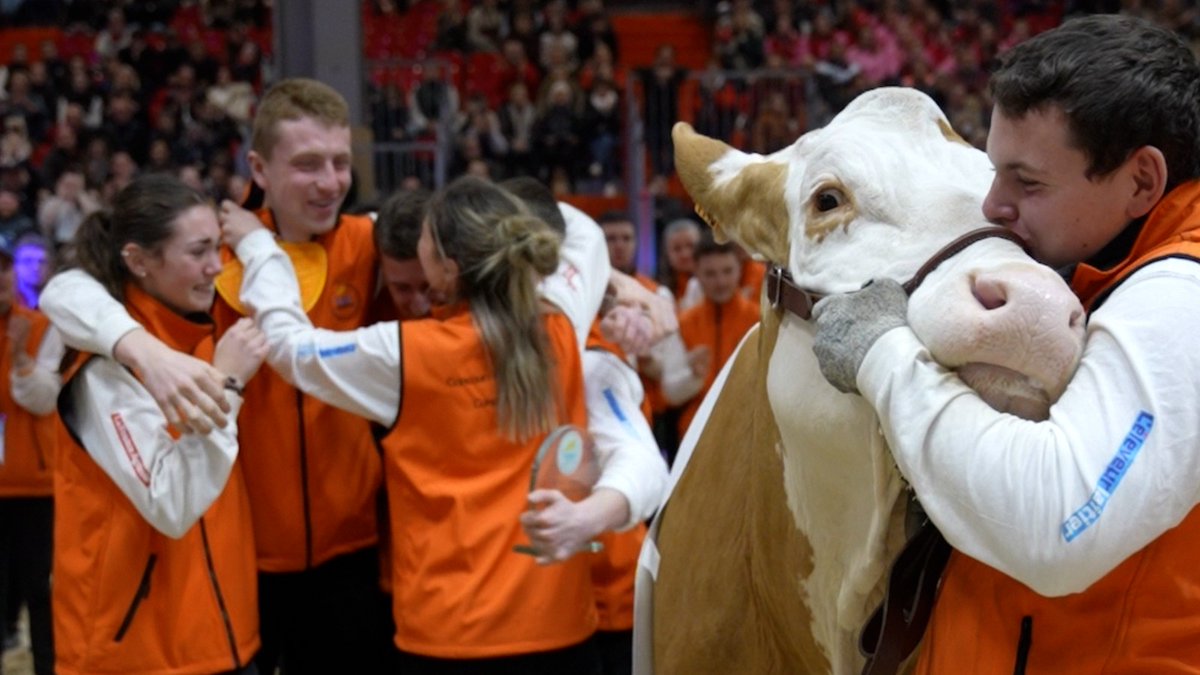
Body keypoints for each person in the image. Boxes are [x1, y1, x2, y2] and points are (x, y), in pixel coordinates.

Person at [811, 14, 1200, 673]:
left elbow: (1060, 524)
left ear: (1141, 181)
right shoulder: (1104, 267)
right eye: (994, 172)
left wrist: (884, 357)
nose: (993, 205)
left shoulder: (1182, 300)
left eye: (1028, 182)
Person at [40, 78, 395, 674]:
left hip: (351, 547)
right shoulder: (213, 262)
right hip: (245, 560)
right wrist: (140, 349)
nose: (330, 181)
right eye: (307, 164)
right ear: (258, 167)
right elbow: (69, 287)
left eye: (340, 162)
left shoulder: (369, 243)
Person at [221, 175, 610, 673]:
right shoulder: (561, 322)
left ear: (446, 268)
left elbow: (291, 348)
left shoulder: (405, 352)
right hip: (558, 624)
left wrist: (260, 247)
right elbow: (584, 231)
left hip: (449, 630)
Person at [52, 174, 267, 674]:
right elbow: (171, 504)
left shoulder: (198, 320)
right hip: (138, 652)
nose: (216, 266)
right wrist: (228, 385)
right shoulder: (103, 370)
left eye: (217, 246)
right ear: (139, 261)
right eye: (198, 251)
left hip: (222, 633)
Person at [0, 235, 63, 675]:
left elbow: (44, 399)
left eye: (4, 268)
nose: (0, 277)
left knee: (42, 591)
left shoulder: (42, 327)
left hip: (36, 484)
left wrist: (20, 357)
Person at [663, 234, 759, 438]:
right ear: (696, 273)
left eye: (727, 271)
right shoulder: (683, 323)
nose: (721, 281)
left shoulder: (758, 322)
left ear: (739, 269)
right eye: (710, 273)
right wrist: (693, 376)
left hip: (749, 431)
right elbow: (670, 393)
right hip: (696, 434)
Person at [371, 188, 433, 322]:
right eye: (402, 289)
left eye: (428, 287)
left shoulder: (472, 309)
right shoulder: (367, 311)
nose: (420, 307)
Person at [12, 233, 53, 310]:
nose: (36, 267)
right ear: (14, 265)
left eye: (42, 261)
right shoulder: (6, 300)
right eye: (28, 261)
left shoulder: (55, 299)